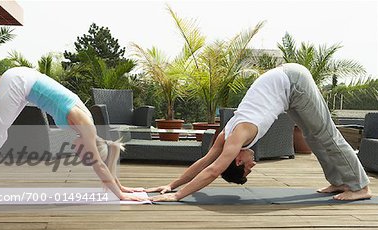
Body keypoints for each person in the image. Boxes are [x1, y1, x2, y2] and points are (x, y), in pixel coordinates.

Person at [147, 63, 372, 202]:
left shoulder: (236, 137)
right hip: (286, 88)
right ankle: (340, 181)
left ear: (236, 159)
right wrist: (172, 184)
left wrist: (177, 195)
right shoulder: (227, 135)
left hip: (294, 82)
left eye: (246, 168)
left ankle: (360, 186)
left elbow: (213, 169)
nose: (252, 166)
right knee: (313, 136)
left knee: (326, 134)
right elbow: (205, 161)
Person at [0, 67, 144, 201]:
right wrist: (121, 196)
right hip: (19, 83)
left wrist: (121, 187)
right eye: (85, 155)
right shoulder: (85, 126)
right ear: (90, 145)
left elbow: (102, 161)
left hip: (23, 83)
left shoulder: (87, 131)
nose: (82, 157)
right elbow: (99, 164)